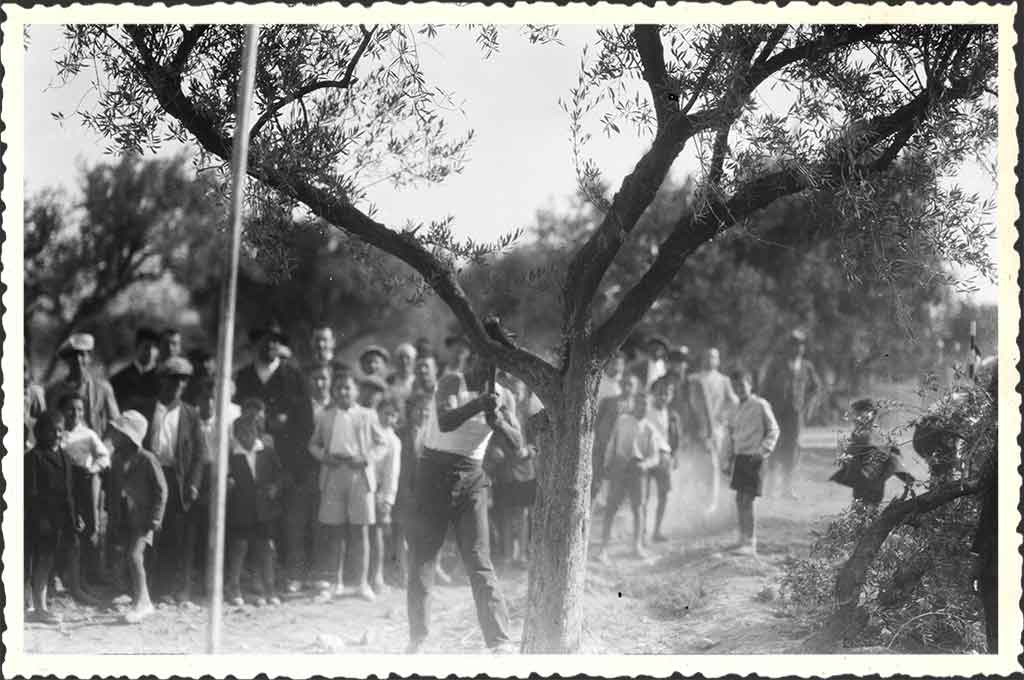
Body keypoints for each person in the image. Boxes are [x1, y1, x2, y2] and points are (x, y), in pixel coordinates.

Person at [406, 346, 521, 654]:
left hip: (472, 477)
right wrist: (478, 406)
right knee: (424, 556)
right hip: (433, 474)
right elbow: (445, 421)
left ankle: (499, 641)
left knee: (478, 559)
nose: (487, 368)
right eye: (484, 359)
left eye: (496, 363)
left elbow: (517, 444)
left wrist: (497, 421)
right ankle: (418, 639)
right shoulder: (451, 382)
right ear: (473, 356)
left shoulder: (505, 396)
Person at [234, 321, 315, 594]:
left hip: (288, 461)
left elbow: (306, 423)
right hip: (252, 462)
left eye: (275, 341)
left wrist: (286, 428)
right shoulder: (243, 377)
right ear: (256, 344)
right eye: (265, 340)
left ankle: (290, 574)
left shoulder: (294, 377)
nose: (270, 345)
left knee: (290, 521)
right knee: (256, 522)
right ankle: (253, 576)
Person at [308, 368, 381, 602]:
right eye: (338, 388)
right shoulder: (325, 415)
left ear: (356, 391)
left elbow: (382, 444)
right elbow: (313, 444)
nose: (343, 392)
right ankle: (335, 583)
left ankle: (361, 584)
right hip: (333, 473)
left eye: (347, 387)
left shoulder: (367, 415)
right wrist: (323, 456)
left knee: (360, 531)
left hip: (359, 474)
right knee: (335, 532)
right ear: (333, 391)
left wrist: (367, 458)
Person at [142, 357, 208, 604]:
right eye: (172, 380)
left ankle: (169, 589)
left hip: (177, 478)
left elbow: (200, 453)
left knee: (175, 535)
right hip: (151, 475)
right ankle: (144, 587)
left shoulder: (190, 414)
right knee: (148, 531)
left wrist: (194, 483)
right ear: (162, 381)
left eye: (182, 382)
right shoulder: (149, 409)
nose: (177, 387)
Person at [106, 410, 167, 624]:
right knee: (129, 558)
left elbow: (162, 490)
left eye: (117, 433)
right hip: (125, 518)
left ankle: (141, 603)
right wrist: (112, 517)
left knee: (134, 556)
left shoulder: (148, 459)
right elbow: (113, 490)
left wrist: (156, 518)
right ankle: (143, 599)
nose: (113, 436)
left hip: (144, 519)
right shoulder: (116, 459)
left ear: (130, 436)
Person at [226, 399, 285, 607]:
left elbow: (280, 474)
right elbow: (227, 477)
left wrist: (275, 487)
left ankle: (269, 589)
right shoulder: (233, 456)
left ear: (257, 433)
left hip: (263, 509)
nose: (245, 437)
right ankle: (233, 588)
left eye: (249, 432)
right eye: (240, 434)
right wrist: (229, 481)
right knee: (239, 546)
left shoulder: (266, 451)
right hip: (242, 508)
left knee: (266, 547)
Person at [25, 410, 78, 623]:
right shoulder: (33, 458)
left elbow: (70, 491)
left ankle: (40, 604)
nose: (57, 434)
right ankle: (38, 607)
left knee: (48, 562)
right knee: (37, 562)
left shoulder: (65, 457)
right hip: (40, 521)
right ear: (41, 431)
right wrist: (41, 521)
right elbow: (32, 494)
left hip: (61, 520)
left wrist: (76, 516)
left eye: (60, 429)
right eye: (52, 430)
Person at [723, 369, 780, 556]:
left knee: (748, 500)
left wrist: (763, 450)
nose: (739, 389)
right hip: (740, 458)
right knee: (739, 500)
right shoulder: (733, 409)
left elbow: (773, 430)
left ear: (750, 384)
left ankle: (751, 542)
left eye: (742, 385)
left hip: (755, 458)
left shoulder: (760, 404)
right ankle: (743, 538)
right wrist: (727, 460)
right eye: (735, 386)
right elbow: (730, 437)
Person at [58, 392, 111, 594]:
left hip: (82, 483)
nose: (75, 413)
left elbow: (104, 457)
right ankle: (62, 577)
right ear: (62, 411)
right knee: (63, 528)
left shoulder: (88, 434)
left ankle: (83, 578)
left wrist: (93, 469)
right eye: (71, 409)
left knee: (85, 528)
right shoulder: (57, 431)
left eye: (80, 409)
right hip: (60, 483)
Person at [761, 330, 821, 499]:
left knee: (792, 449)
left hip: (795, 415)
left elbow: (816, 388)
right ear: (787, 347)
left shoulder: (806, 366)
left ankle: (787, 488)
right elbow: (765, 387)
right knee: (773, 447)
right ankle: (770, 488)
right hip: (776, 413)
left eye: (800, 345)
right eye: (793, 345)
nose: (797, 348)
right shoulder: (777, 363)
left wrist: (808, 406)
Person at [596, 396, 657, 563]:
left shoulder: (649, 429)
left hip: (637, 469)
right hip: (620, 465)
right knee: (611, 507)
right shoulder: (622, 420)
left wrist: (645, 464)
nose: (642, 408)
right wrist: (607, 464)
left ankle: (637, 545)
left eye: (645, 405)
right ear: (633, 405)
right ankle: (603, 548)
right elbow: (611, 443)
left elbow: (654, 456)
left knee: (638, 508)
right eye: (639, 404)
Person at [829, 398, 914, 508]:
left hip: (872, 484)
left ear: (872, 414)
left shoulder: (872, 435)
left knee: (866, 510)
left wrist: (904, 476)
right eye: (855, 414)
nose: (856, 418)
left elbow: (891, 457)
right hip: (863, 483)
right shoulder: (862, 434)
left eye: (860, 414)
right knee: (863, 511)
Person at [687, 347, 738, 515]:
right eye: (707, 356)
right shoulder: (694, 378)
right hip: (697, 429)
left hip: (717, 430)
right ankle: (696, 501)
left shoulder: (724, 380)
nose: (710, 359)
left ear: (718, 360)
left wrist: (724, 416)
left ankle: (712, 504)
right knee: (697, 464)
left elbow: (734, 401)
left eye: (714, 357)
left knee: (715, 465)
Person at [46, 332, 120, 446]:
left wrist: (103, 446)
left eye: (82, 354)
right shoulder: (55, 391)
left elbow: (115, 423)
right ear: (67, 360)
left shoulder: (103, 388)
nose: (78, 360)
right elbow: (49, 423)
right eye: (73, 355)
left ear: (89, 358)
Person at [643, 376, 684, 543]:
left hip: (664, 457)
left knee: (663, 494)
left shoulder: (672, 415)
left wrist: (675, 455)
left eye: (666, 393)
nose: (663, 397)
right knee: (643, 496)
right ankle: (642, 531)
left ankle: (657, 530)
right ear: (652, 393)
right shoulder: (645, 411)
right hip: (646, 456)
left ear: (671, 396)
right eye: (659, 393)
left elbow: (676, 437)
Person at [592, 371, 642, 506]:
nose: (627, 388)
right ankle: (588, 518)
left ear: (636, 387)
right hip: (603, 446)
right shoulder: (608, 402)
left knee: (619, 487)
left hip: (623, 452)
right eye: (624, 384)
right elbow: (596, 424)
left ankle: (610, 517)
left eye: (630, 385)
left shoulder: (638, 407)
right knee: (595, 484)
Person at [370, 397, 402, 591]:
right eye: (385, 413)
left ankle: (378, 575)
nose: (388, 418)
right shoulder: (370, 432)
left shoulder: (393, 441)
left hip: (380, 491)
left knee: (378, 535)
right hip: (363, 487)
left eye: (393, 415)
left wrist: (387, 499)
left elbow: (392, 473)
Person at [110, 327, 162, 413]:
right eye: (146, 347)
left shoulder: (163, 380)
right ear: (136, 347)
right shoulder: (119, 379)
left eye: (155, 348)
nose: (150, 352)